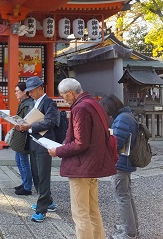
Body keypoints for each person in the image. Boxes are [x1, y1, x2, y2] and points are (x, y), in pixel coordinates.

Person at [48, 78, 116, 239]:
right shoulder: (94, 104)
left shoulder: (80, 108)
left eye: (64, 95)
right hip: (94, 163)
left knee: (80, 213)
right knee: (92, 209)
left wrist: (58, 150)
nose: (63, 99)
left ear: (71, 93)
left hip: (82, 167)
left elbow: (80, 143)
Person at [17, 76, 59, 222]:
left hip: (44, 142)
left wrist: (30, 127)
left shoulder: (49, 103)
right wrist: (22, 126)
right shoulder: (34, 103)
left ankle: (42, 209)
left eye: (32, 91)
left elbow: (50, 121)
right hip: (33, 141)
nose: (30, 94)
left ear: (40, 88)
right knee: (36, 174)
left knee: (43, 175)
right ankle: (48, 201)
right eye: (28, 91)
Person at [99, 94, 139, 239]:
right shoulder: (128, 115)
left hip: (121, 162)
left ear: (109, 107)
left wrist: (107, 138)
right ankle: (132, 227)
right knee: (126, 195)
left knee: (122, 196)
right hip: (127, 161)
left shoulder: (121, 119)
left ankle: (129, 233)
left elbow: (117, 144)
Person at [13, 82, 33, 195]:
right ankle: (24, 182)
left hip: (24, 136)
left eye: (17, 91)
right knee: (19, 161)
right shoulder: (24, 103)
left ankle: (27, 187)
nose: (16, 93)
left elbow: (28, 121)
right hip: (20, 136)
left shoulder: (28, 104)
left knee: (23, 162)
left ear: (24, 92)